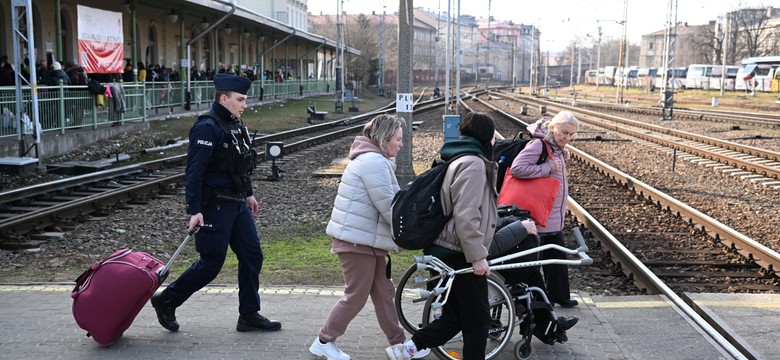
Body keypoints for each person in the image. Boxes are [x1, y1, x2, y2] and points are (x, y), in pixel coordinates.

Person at [150, 74, 281, 334]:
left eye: (245, 100)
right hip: (215, 206)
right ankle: (166, 300)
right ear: (224, 98)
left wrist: (249, 193)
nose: (245, 105)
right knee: (211, 263)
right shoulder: (207, 127)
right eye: (240, 100)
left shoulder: (235, 125)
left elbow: (241, 163)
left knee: (252, 255)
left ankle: (249, 315)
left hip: (237, 203)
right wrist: (195, 210)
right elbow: (194, 172)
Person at [309, 114, 429, 360]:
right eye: (398, 139)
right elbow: (390, 207)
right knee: (356, 296)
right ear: (384, 139)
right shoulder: (374, 162)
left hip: (366, 242)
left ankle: (399, 345)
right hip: (356, 242)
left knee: (384, 293)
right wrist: (416, 231)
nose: (401, 144)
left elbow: (391, 204)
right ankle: (323, 340)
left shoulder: (374, 159)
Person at [386, 111, 499, 360]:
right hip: (459, 253)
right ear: (486, 135)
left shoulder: (456, 157)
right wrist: (478, 256)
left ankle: (407, 350)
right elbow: (466, 215)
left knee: (455, 316)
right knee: (478, 321)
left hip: (445, 249)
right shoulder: (475, 164)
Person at [508, 111, 579, 308]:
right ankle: (533, 300)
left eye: (571, 135)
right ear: (553, 128)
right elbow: (517, 169)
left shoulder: (557, 149)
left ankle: (559, 296)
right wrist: (547, 167)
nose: (567, 137)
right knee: (535, 260)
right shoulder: (537, 145)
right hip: (538, 213)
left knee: (556, 256)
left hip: (552, 214)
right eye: (564, 132)